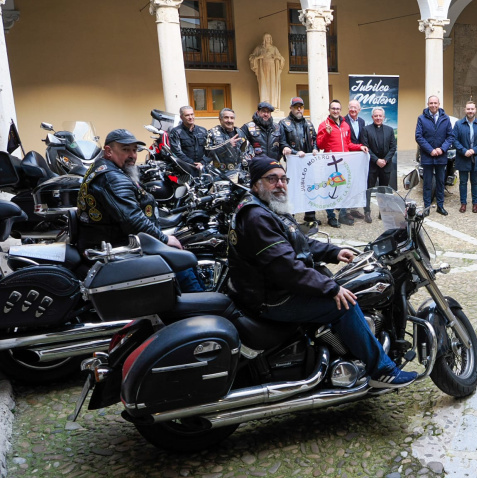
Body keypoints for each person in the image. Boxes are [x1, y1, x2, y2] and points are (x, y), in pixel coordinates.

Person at [226, 156, 416, 388]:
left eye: (283, 179)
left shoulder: (264, 207)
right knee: (345, 304)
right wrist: (331, 288)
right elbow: (288, 269)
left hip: (265, 289)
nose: (280, 184)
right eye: (271, 179)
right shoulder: (257, 217)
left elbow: (296, 241)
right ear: (256, 184)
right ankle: (382, 370)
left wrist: (333, 252)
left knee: (332, 283)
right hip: (272, 298)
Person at [77, 129, 202, 292]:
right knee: (180, 261)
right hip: (116, 247)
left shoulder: (105, 169)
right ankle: (200, 308)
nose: (132, 155)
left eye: (135, 150)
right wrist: (164, 239)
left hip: (110, 240)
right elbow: (133, 220)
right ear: (108, 151)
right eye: (125, 149)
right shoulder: (111, 177)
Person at [316, 99, 369, 227]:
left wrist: (360, 146)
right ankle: (331, 216)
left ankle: (343, 215)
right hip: (331, 164)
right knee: (331, 190)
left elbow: (348, 144)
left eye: (338, 109)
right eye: (333, 108)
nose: (335, 111)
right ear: (329, 110)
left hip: (344, 164)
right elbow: (320, 145)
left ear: (341, 110)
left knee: (345, 189)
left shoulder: (345, 125)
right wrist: (327, 134)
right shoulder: (324, 125)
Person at [279, 96, 320, 224]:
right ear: (291, 108)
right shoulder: (283, 123)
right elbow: (282, 142)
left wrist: (315, 149)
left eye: (301, 107)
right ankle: (291, 215)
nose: (299, 109)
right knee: (292, 189)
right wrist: (296, 152)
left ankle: (310, 216)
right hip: (293, 163)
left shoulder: (309, 123)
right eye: (296, 107)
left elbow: (315, 139)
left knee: (310, 188)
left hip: (308, 163)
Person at [415, 95, 454, 216]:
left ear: (439, 104)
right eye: (431, 103)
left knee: (440, 182)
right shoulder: (421, 118)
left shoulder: (445, 118)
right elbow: (418, 136)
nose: (433, 105)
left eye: (435, 103)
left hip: (441, 156)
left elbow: (450, 136)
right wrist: (430, 150)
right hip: (427, 156)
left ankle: (440, 206)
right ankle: (427, 207)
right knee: (427, 183)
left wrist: (442, 149)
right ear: (428, 104)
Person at [361, 107, 396, 223]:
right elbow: (366, 148)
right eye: (376, 116)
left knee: (383, 189)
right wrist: (377, 160)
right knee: (369, 189)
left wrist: (385, 160)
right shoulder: (366, 130)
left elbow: (393, 148)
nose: (378, 118)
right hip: (372, 164)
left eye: (380, 116)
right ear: (372, 117)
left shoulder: (390, 130)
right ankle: (367, 212)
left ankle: (383, 212)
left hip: (385, 165)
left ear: (384, 117)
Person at [452, 100, 477, 213]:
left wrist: (474, 150)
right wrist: (464, 151)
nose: (470, 111)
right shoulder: (458, 124)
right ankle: (463, 203)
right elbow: (454, 139)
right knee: (463, 182)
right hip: (463, 157)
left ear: (475, 110)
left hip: (476, 157)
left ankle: (475, 204)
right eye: (468, 109)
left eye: (472, 109)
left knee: (475, 181)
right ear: (465, 110)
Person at [342, 100, 367, 221]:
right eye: (351, 107)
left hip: (359, 158)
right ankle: (346, 210)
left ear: (359, 110)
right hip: (347, 156)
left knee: (357, 183)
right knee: (347, 183)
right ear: (348, 108)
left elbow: (362, 139)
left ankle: (354, 209)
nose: (353, 110)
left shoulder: (362, 121)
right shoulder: (342, 121)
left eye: (355, 108)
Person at [248, 33, 285, 111]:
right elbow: (251, 57)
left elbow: (281, 58)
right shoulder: (259, 48)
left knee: (273, 86)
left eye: (269, 37)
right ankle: (264, 104)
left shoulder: (274, 48)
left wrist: (276, 57)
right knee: (264, 85)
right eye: (266, 37)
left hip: (272, 69)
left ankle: (273, 104)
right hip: (263, 69)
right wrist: (258, 57)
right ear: (264, 39)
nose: (268, 39)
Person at [169, 106, 208, 176]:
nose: (190, 117)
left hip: (203, 168)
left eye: (192, 114)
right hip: (185, 169)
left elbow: (209, 149)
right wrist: (193, 164)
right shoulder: (176, 132)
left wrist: (203, 162)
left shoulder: (203, 131)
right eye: (187, 115)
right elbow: (176, 152)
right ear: (181, 117)